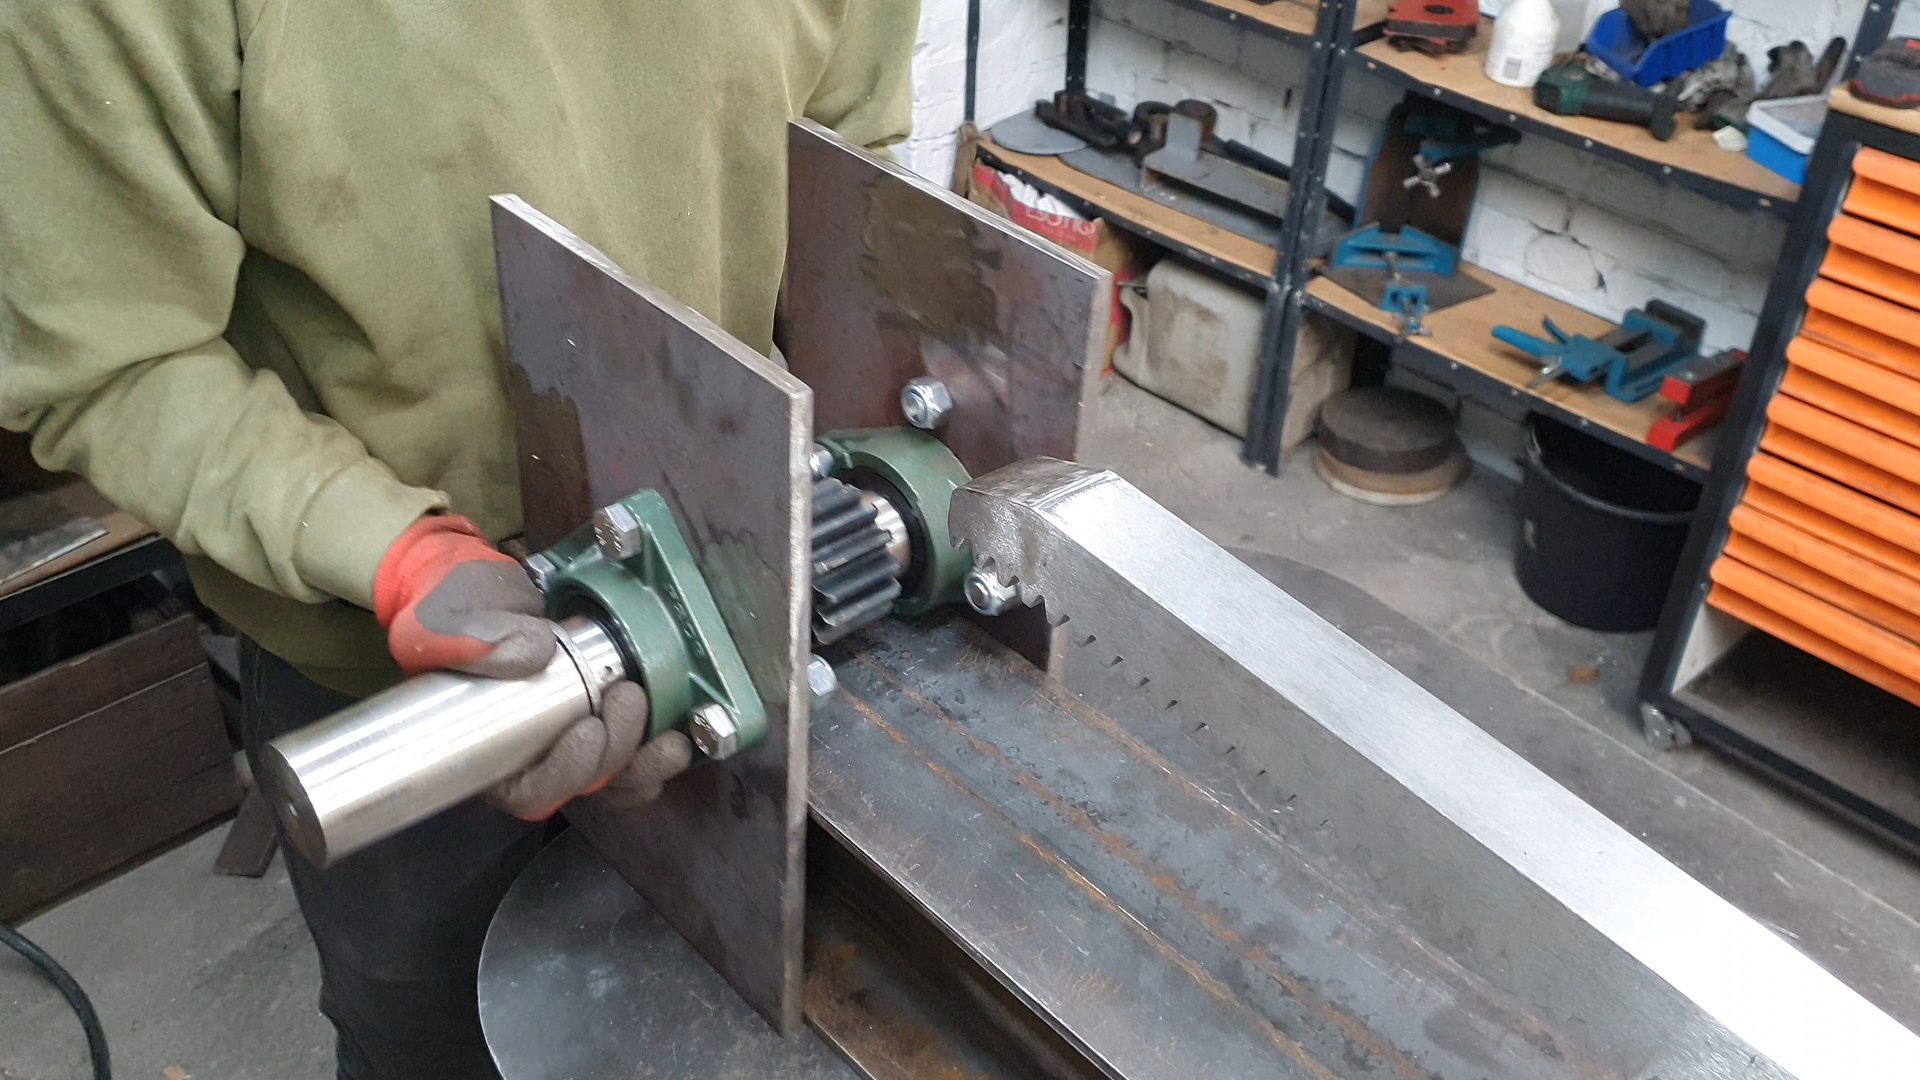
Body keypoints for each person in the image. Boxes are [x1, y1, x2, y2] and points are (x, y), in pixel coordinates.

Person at [0, 2, 916, 1076]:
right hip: (411, 691)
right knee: (434, 1043)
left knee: (767, 1020)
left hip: (764, 591)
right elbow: (111, 357)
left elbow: (848, 171)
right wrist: (395, 553)